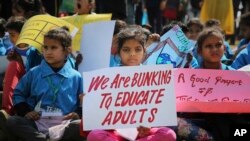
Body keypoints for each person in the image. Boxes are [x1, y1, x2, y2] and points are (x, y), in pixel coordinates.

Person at [87, 26, 176, 141]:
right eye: (126, 50)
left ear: (144, 52)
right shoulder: (107, 78)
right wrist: (89, 102)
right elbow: (104, 114)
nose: (132, 54)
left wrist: (148, 125)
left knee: (168, 134)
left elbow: (157, 111)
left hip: (143, 132)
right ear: (119, 53)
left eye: (138, 49)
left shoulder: (154, 76)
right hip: (116, 132)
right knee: (94, 135)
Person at [5, 26, 85, 141]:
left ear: (67, 50)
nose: (48, 52)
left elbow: (82, 101)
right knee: (13, 121)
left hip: (64, 124)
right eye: (45, 47)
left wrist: (77, 113)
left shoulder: (76, 76)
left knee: (80, 125)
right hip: (37, 122)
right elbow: (18, 94)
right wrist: (27, 111)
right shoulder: (34, 72)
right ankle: (45, 139)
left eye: (53, 47)